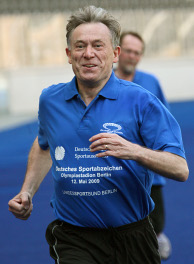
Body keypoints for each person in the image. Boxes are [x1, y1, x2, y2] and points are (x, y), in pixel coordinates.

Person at [8, 6, 189, 264]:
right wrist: (27, 191)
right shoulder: (51, 100)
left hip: (133, 234)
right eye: (80, 46)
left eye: (98, 45)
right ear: (69, 54)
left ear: (115, 53)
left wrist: (132, 150)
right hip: (74, 236)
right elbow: (45, 144)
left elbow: (180, 168)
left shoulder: (142, 101)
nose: (88, 54)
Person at [114, 31, 172, 260]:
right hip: (115, 168)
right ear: (118, 51)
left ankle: (157, 235)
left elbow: (165, 122)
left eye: (137, 53)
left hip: (149, 169)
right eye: (128, 51)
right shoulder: (103, 81)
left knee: (155, 224)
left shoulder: (150, 82)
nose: (132, 56)